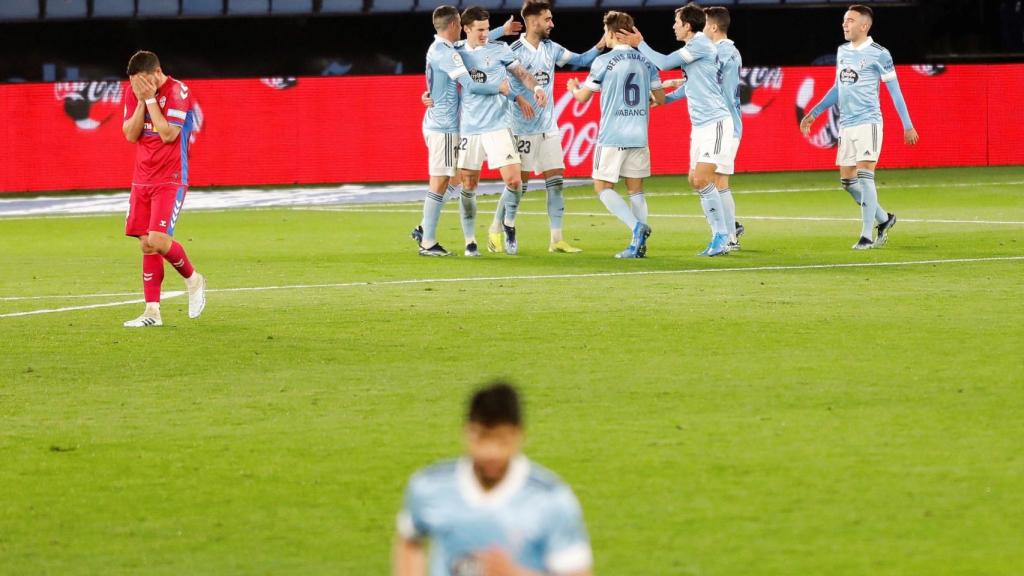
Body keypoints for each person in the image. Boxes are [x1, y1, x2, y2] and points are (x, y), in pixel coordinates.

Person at [394, 382, 593, 576]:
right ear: (467, 432)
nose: (491, 452)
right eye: (482, 437)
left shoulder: (550, 499)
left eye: (502, 440)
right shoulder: (429, 486)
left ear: (519, 436)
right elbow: (409, 539)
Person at [486, 0, 605, 254]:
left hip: (549, 127)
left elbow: (582, 59)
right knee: (517, 186)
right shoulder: (514, 51)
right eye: (547, 19)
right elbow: (501, 85)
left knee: (556, 182)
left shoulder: (552, 48)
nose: (552, 23)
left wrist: (601, 43)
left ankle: (556, 239)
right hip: (521, 127)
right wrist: (518, 101)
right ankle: (497, 227)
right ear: (533, 21)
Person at [617, 2, 732, 257]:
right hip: (700, 126)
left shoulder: (699, 44)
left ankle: (723, 235)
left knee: (702, 179)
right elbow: (691, 86)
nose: (673, 27)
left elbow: (664, 63)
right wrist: (663, 99)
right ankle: (720, 235)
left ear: (688, 26)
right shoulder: (695, 48)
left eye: (677, 23)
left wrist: (640, 43)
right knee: (694, 180)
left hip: (715, 123)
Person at [800, 4, 918, 250]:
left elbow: (895, 92)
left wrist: (907, 125)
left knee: (865, 177)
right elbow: (838, 87)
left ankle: (866, 236)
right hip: (846, 125)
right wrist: (814, 113)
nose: (845, 24)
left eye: (850, 20)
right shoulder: (842, 51)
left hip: (868, 123)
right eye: (844, 20)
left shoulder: (880, 54)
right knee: (848, 182)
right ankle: (884, 219)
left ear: (864, 26)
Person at [414, 8, 523, 256]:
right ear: (455, 25)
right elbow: (471, 85)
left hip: (445, 124)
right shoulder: (447, 53)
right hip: (443, 126)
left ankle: (423, 228)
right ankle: (427, 240)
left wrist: (502, 31)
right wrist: (501, 88)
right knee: (441, 181)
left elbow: (474, 39)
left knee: (453, 180)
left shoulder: (440, 48)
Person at [567, 11, 665, 259]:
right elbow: (660, 99)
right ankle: (638, 245)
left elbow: (583, 97)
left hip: (612, 135)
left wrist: (572, 88)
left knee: (602, 187)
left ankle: (636, 227)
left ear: (611, 33)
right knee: (636, 190)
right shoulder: (647, 62)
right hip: (639, 135)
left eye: (605, 32)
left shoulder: (603, 62)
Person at [120, 50, 205, 327]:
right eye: (135, 83)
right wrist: (141, 100)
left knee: (157, 240)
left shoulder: (178, 91)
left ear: (157, 73)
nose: (140, 87)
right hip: (142, 178)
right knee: (146, 245)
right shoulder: (135, 92)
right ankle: (152, 312)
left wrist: (149, 99)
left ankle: (193, 279)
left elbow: (168, 134)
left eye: (144, 81)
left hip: (171, 177)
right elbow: (130, 134)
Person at [454, 5, 547, 257]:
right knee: (468, 184)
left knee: (515, 181)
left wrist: (537, 88)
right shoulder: (456, 52)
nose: (485, 34)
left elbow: (522, 73)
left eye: (487, 29)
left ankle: (509, 224)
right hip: (471, 128)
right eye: (480, 30)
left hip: (498, 125)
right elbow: (440, 75)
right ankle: (470, 240)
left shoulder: (500, 49)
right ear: (466, 29)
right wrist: (427, 94)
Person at [660, 6, 746, 250]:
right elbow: (699, 83)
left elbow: (713, 86)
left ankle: (729, 236)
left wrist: (675, 85)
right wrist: (672, 90)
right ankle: (727, 231)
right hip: (715, 122)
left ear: (714, 27)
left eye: (705, 24)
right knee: (709, 180)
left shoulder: (723, 51)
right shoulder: (720, 51)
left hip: (723, 123)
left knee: (718, 181)